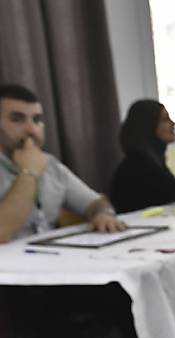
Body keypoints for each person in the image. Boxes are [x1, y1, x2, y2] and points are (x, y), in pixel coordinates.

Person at [0, 84, 125, 243]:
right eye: (17, 119)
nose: (32, 130)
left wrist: (104, 213)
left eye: (37, 120)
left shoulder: (50, 165)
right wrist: (28, 173)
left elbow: (95, 202)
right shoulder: (33, 165)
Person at [109, 100, 175, 213]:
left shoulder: (149, 160)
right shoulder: (140, 165)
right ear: (148, 126)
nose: (173, 123)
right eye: (165, 120)